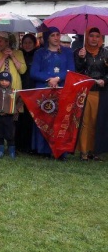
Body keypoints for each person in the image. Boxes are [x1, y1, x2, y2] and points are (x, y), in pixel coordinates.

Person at [29, 27, 75, 158]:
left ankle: (60, 150)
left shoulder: (67, 52)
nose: (56, 37)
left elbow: (71, 70)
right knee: (44, 119)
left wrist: (58, 78)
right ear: (47, 38)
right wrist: (49, 79)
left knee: (60, 120)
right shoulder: (40, 53)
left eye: (58, 35)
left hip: (61, 89)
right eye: (53, 35)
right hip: (44, 90)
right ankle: (43, 149)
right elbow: (34, 72)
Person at [74, 27, 108, 161]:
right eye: (91, 36)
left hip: (102, 92)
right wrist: (81, 59)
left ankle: (95, 151)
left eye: (97, 36)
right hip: (86, 92)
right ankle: (84, 151)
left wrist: (105, 80)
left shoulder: (105, 53)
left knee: (98, 121)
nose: (94, 39)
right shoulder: (80, 52)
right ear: (86, 37)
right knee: (85, 122)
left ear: (100, 38)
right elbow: (76, 71)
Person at [0, 72, 22, 159]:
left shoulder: (14, 92)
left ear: (10, 81)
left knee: (10, 134)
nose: (4, 82)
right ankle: (0, 151)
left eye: (6, 80)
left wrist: (15, 110)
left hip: (9, 117)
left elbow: (20, 102)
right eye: (2, 80)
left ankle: (11, 152)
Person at [15, 33, 39, 153]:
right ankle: (19, 144)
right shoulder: (19, 54)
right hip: (21, 88)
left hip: (33, 89)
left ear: (34, 44)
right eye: (25, 43)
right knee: (20, 118)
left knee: (31, 118)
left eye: (30, 43)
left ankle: (30, 145)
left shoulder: (38, 55)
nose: (27, 45)